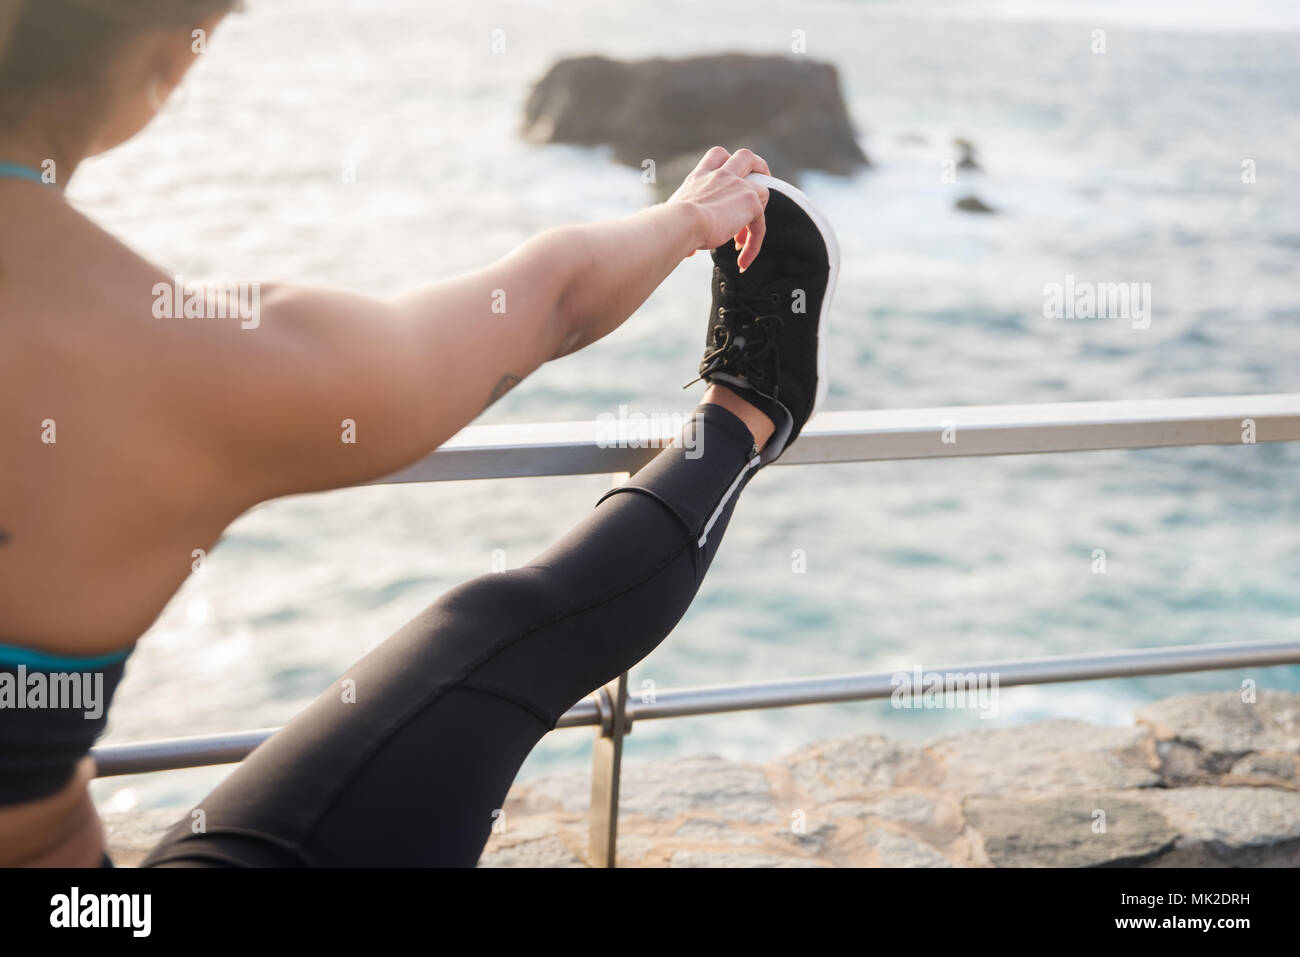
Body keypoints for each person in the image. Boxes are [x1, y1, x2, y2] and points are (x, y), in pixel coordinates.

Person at [0, 0, 838, 866]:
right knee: (496, 626)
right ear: (168, 64)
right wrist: (690, 220)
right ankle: (746, 414)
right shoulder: (179, 361)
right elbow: (545, 304)